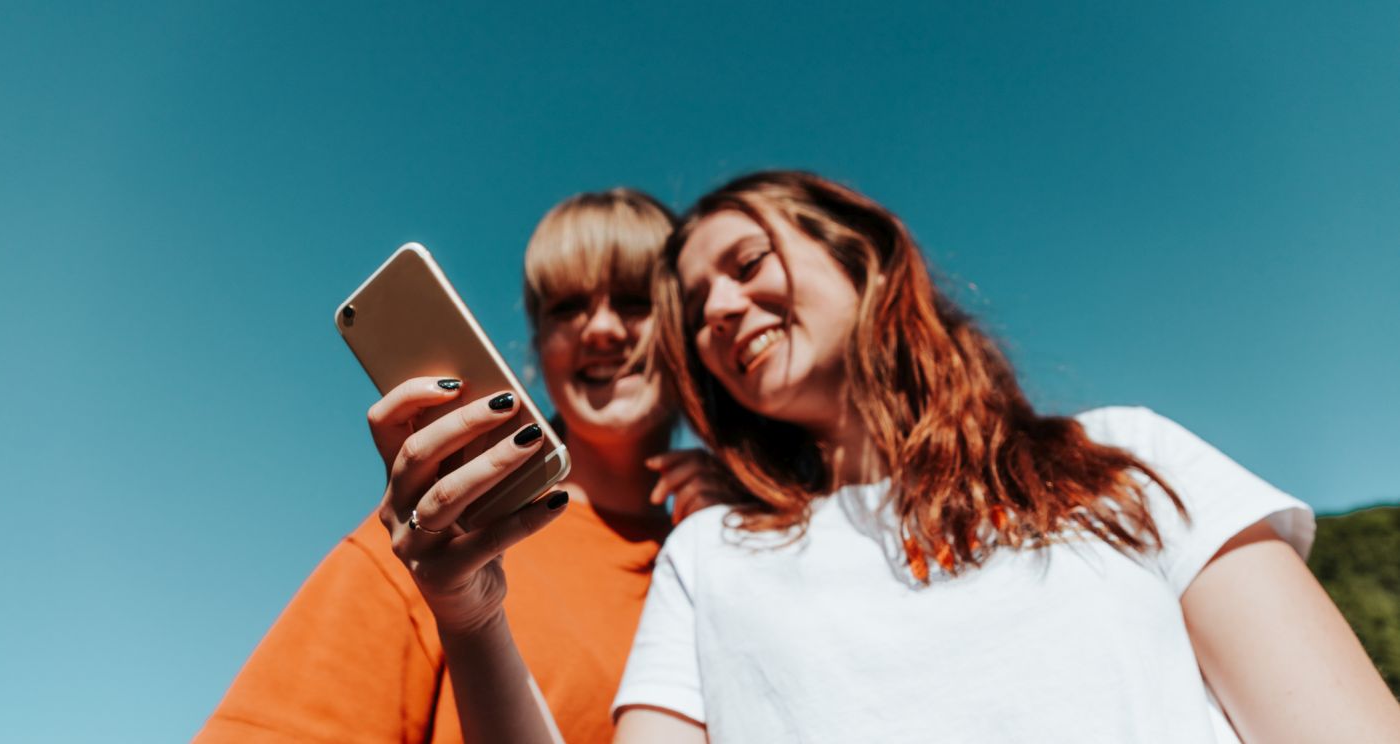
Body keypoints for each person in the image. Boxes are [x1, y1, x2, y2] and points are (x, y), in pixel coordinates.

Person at [389, 171, 1400, 743]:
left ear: (859, 253)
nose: (722, 314)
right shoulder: (712, 561)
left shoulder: (1126, 456)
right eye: (695, 313)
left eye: (746, 266)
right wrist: (471, 616)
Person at [196, 188, 728, 743]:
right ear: (538, 345)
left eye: (634, 300)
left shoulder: (716, 555)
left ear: (690, 327)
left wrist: (732, 545)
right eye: (567, 307)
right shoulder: (437, 542)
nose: (601, 329)